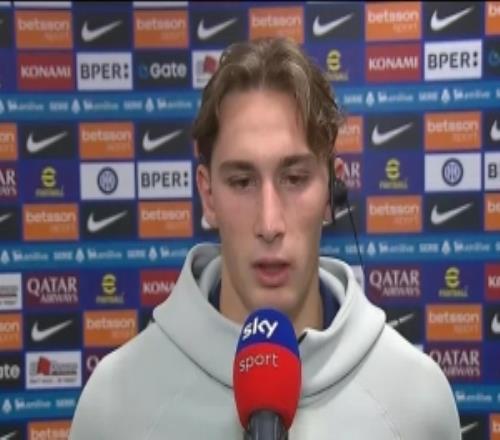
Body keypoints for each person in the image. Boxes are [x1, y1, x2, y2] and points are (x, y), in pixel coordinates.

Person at [69, 38, 461, 439]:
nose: (269, 223)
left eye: (295, 179)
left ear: (331, 192)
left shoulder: (417, 401)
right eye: (242, 182)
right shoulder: (115, 404)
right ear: (208, 195)